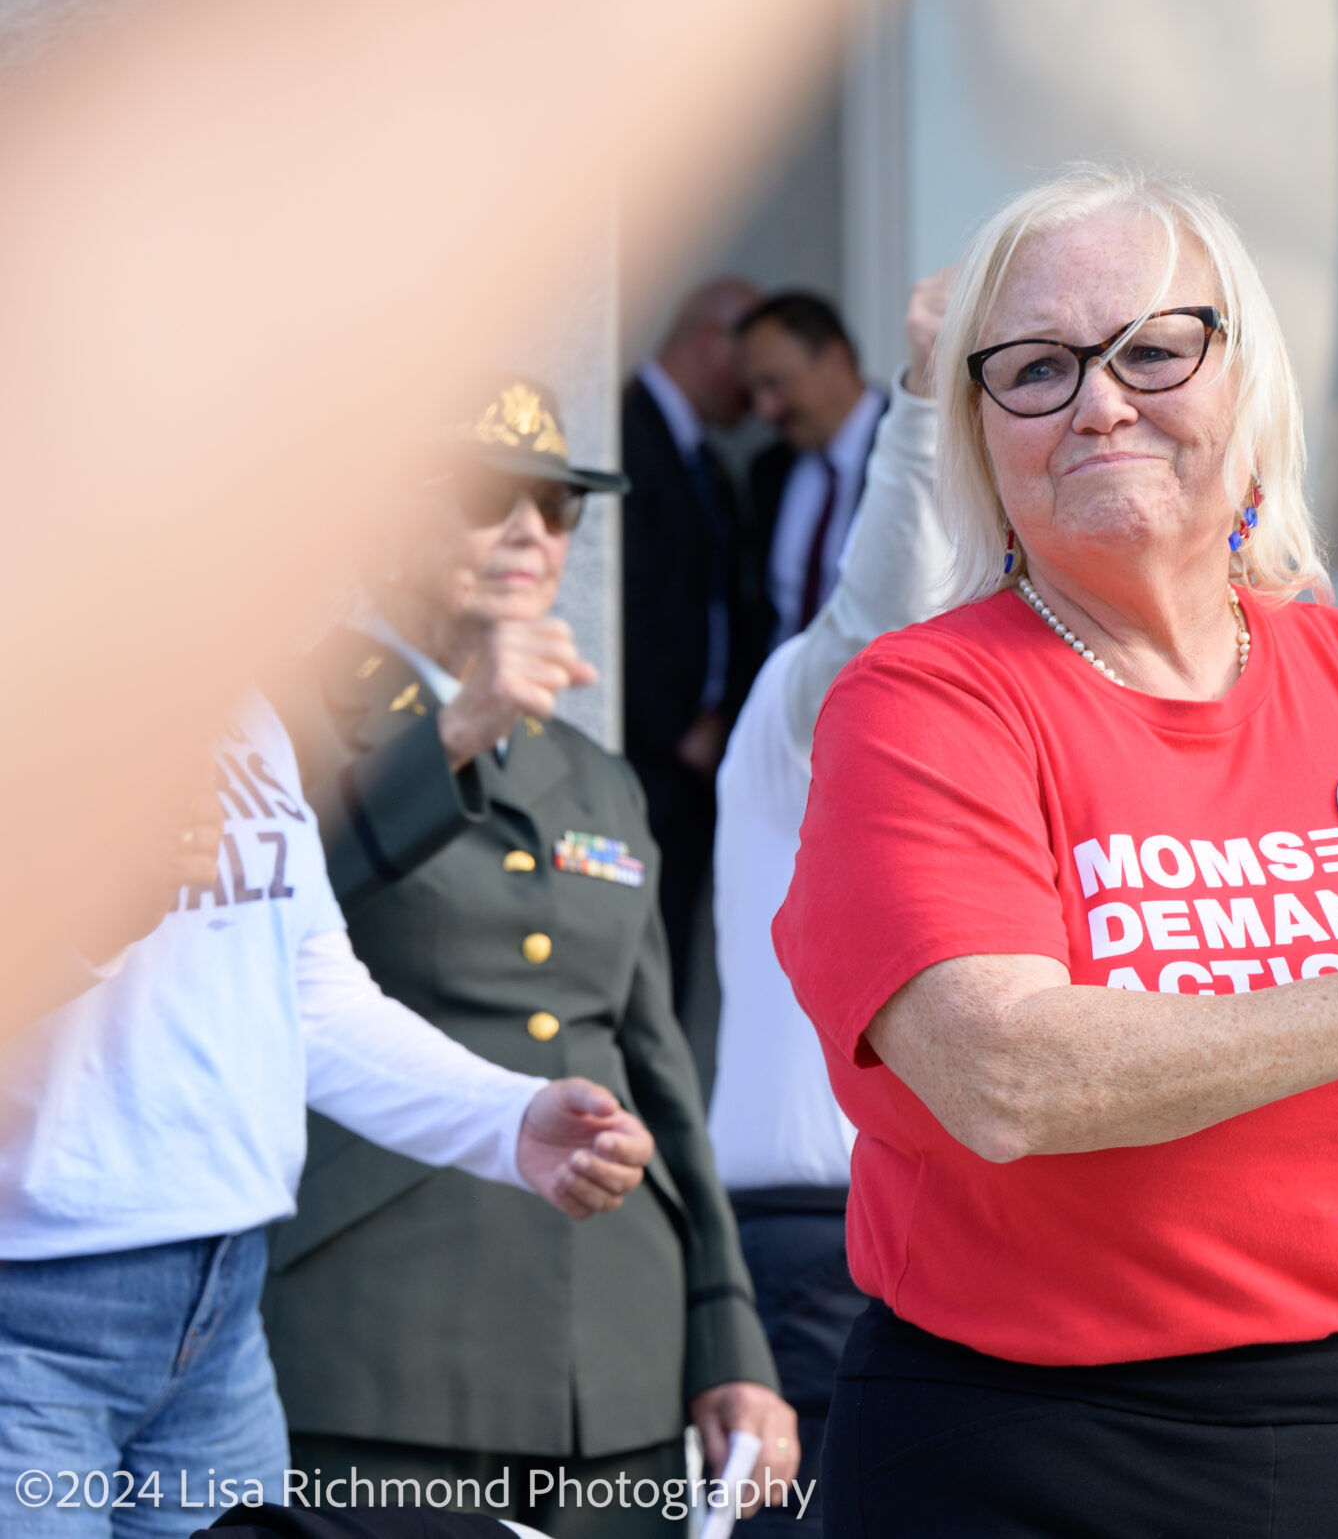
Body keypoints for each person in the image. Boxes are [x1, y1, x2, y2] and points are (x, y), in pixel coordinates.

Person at [772, 165, 1338, 1538]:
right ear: (981, 429)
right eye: (1036, 367)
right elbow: (1005, 1072)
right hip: (1013, 1463)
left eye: (1152, 348)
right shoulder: (923, 699)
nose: (1100, 400)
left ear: (1246, 381)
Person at [263, 379, 795, 1539]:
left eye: (556, 505)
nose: (529, 532)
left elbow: (654, 1067)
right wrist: (447, 737)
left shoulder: (593, 770)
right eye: (481, 497)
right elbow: (247, 944)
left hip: (616, 1343)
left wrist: (727, 1338)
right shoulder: (278, 717)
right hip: (376, 1324)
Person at [0, 695, 654, 1539]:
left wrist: (505, 1116)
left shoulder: (245, 711)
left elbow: (312, 1000)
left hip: (224, 1317)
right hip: (29, 1317)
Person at [708, 269, 952, 1534]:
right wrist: (922, 400)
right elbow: (882, 614)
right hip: (817, 1233)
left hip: (925, 1220)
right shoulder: (815, 701)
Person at [623, 275, 774, 1094]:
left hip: (696, 766)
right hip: (647, 759)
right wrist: (677, 719)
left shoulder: (710, 465)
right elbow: (617, 597)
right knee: (641, 975)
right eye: (750, 374)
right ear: (711, 340)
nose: (757, 401)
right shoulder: (619, 432)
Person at [740, 291, 887, 643]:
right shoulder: (768, 471)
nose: (764, 410)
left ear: (835, 359)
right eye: (753, 392)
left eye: (774, 383)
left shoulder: (919, 450)